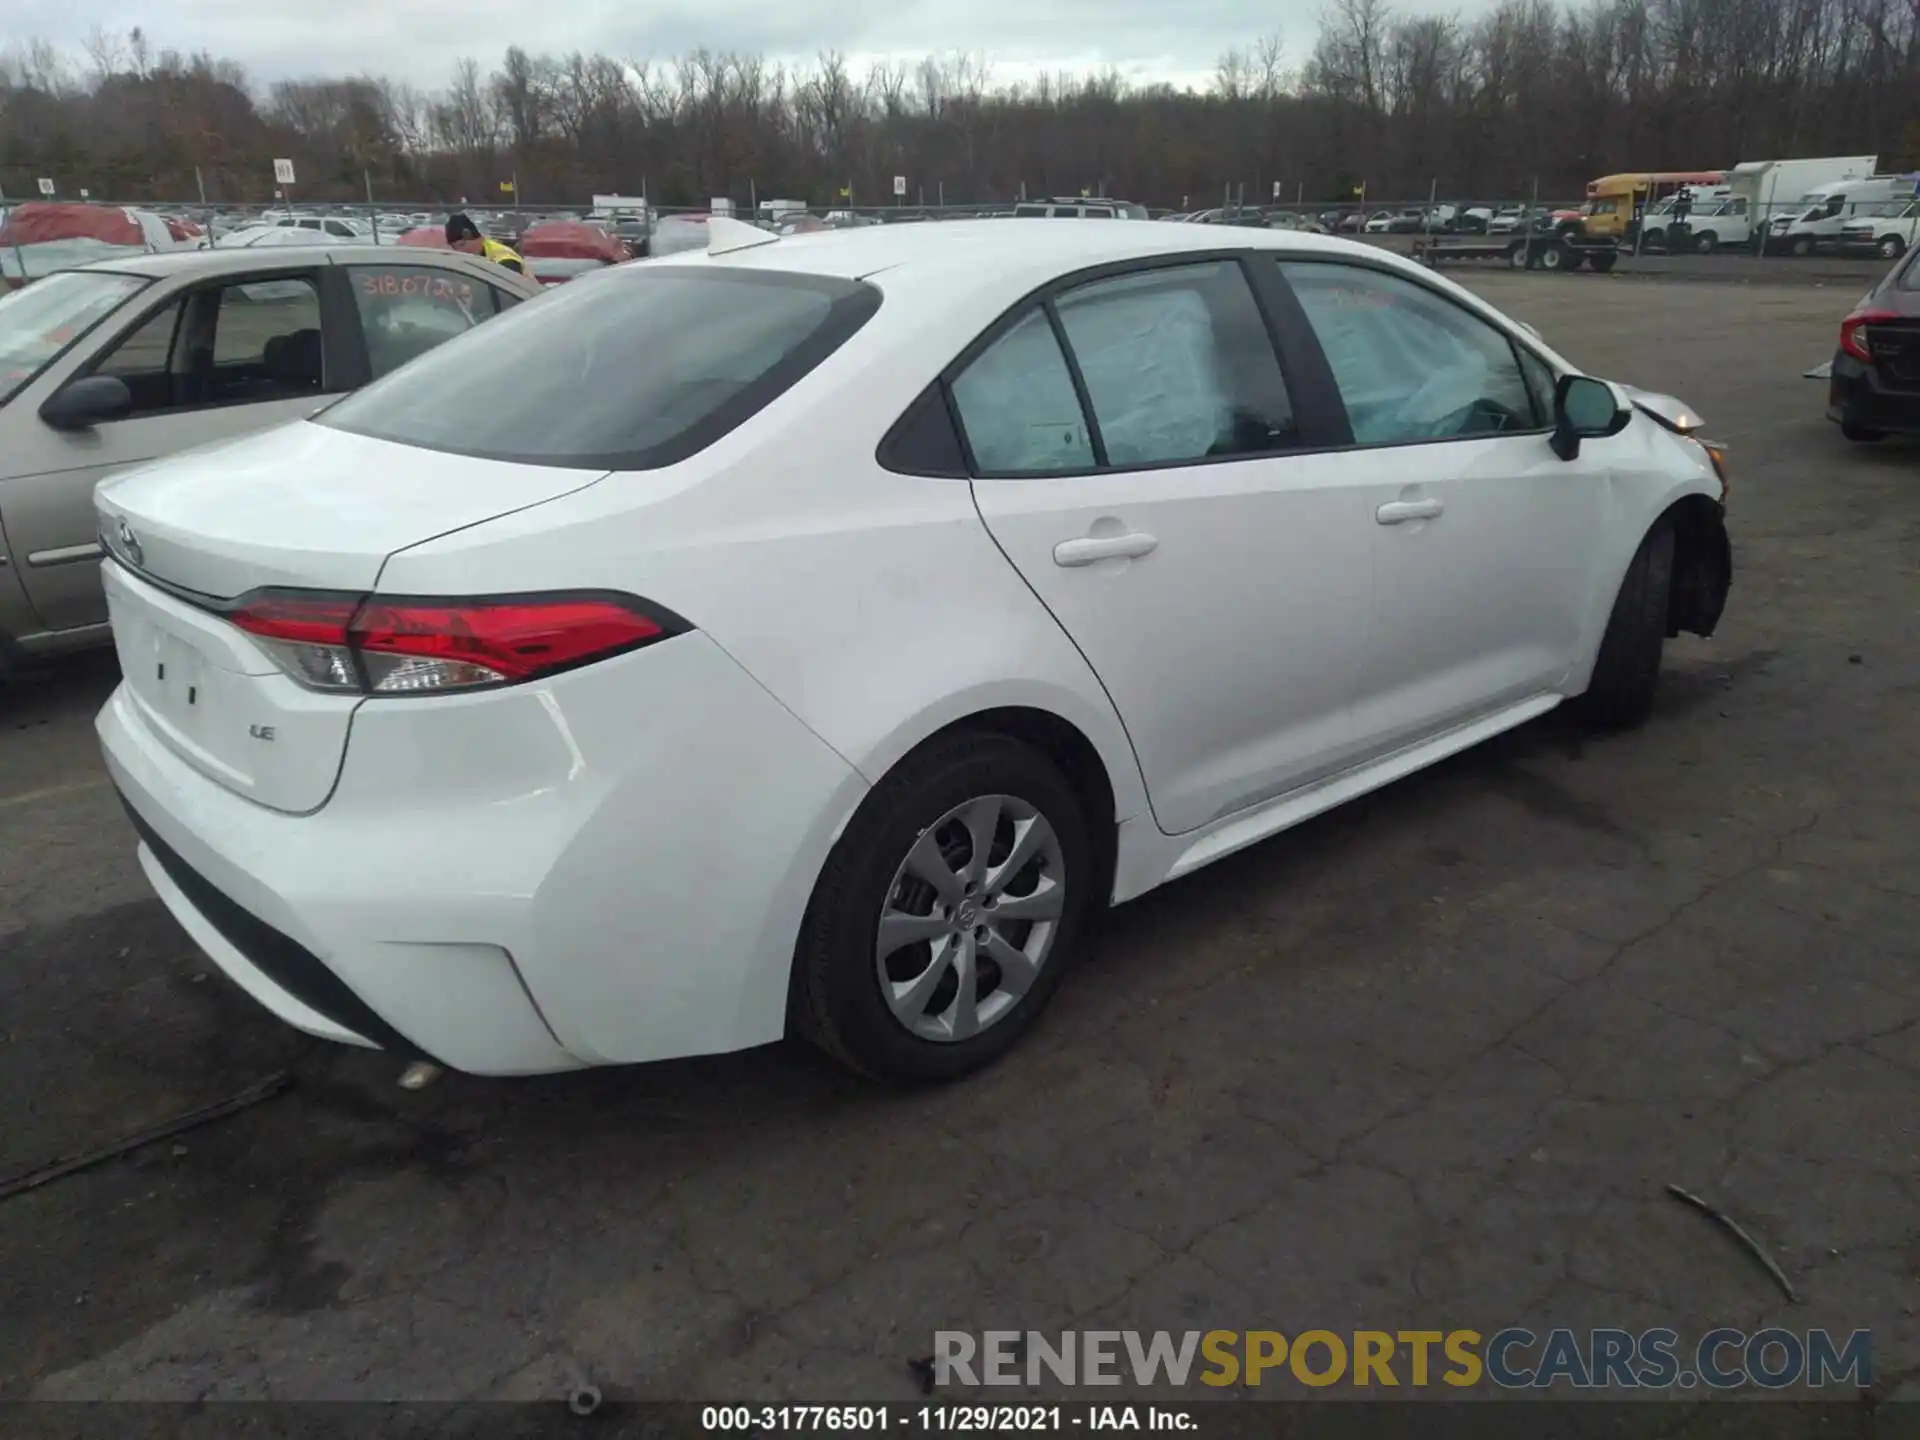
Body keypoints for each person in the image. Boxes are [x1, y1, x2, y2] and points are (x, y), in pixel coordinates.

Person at [445, 213, 525, 274]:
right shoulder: (480, 255)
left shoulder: (504, 260)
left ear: (468, 234)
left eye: (462, 245)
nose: (460, 252)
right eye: (455, 248)